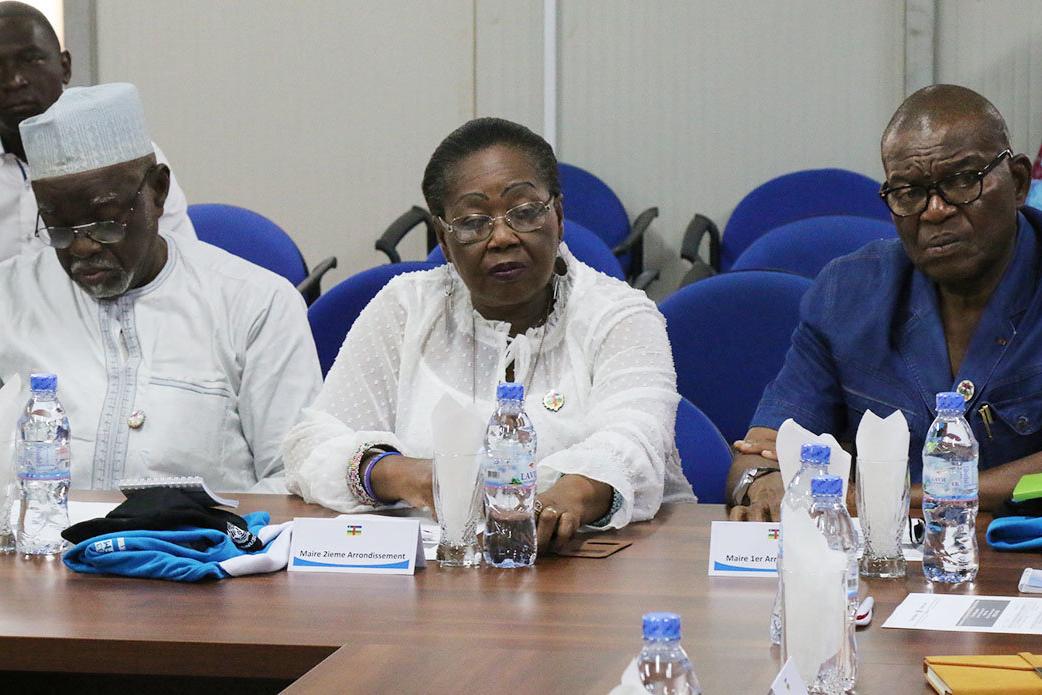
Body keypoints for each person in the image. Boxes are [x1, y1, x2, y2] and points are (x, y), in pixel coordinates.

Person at [283, 117, 692, 552]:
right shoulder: (406, 308)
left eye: (525, 212)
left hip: (595, 564)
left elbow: (634, 443)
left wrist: (560, 503)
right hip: (435, 570)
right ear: (444, 239)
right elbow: (313, 444)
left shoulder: (619, 314)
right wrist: (412, 477)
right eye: (473, 222)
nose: (501, 237)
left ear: (557, 216)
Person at [728, 84, 1039, 521]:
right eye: (909, 191)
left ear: (1019, 182)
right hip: (886, 556)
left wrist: (895, 497)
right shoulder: (846, 293)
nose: (935, 210)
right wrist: (762, 482)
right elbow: (763, 445)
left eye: (961, 180)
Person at [0, 82, 321, 491]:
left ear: (157, 190)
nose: (81, 247)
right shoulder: (9, 298)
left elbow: (293, 479)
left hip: (210, 534)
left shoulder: (256, 304)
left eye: (105, 222)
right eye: (58, 228)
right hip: (41, 533)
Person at [0, 1, 195, 262]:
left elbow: (178, 263)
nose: (14, 80)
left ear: (65, 67)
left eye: (31, 59)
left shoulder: (123, 156)